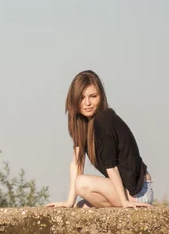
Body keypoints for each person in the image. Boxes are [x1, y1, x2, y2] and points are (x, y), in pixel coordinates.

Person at [46, 70, 153, 209]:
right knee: (81, 207)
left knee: (82, 183)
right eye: (81, 98)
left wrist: (125, 202)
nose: (87, 103)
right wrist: (69, 202)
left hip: (137, 193)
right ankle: (119, 203)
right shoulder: (83, 125)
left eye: (93, 96)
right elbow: (76, 163)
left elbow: (111, 166)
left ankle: (124, 203)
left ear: (101, 96)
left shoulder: (103, 120)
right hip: (126, 191)